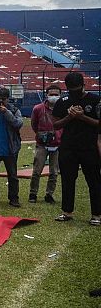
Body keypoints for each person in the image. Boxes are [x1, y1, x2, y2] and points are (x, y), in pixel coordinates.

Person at [52, 72, 101, 225]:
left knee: (94, 181)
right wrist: (69, 117)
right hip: (68, 147)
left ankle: (96, 215)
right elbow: (55, 124)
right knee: (67, 180)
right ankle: (67, 211)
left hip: (89, 146)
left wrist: (82, 117)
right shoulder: (63, 101)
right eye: (71, 89)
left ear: (83, 85)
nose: (74, 92)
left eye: (77, 89)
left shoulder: (95, 100)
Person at [29, 85, 62, 203]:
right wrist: (40, 135)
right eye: (51, 94)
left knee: (54, 172)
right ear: (46, 95)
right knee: (37, 170)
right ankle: (33, 193)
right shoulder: (38, 109)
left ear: (60, 95)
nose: (54, 96)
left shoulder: (63, 109)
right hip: (42, 144)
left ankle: (49, 194)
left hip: (58, 144)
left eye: (56, 94)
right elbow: (34, 124)